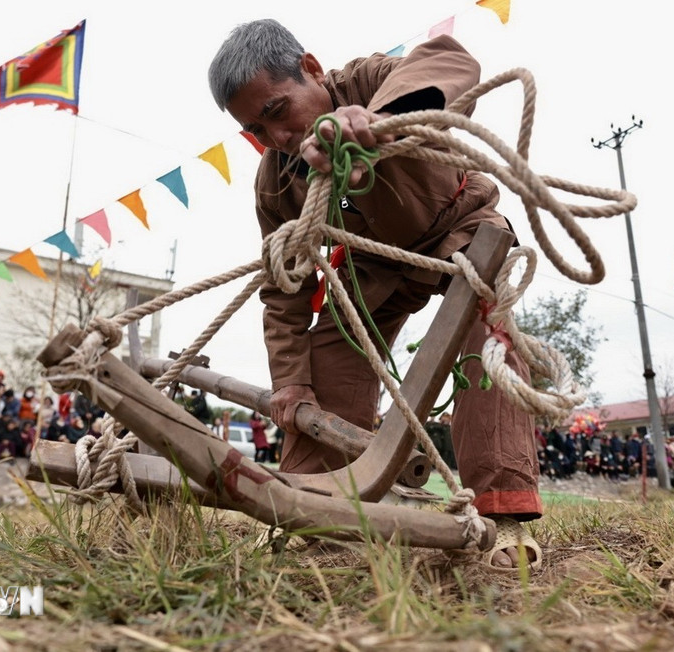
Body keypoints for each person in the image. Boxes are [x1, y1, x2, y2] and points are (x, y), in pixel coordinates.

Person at [209, 19, 540, 570]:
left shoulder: (370, 81)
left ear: (311, 69)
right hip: (371, 269)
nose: (278, 138)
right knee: (324, 363)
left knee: (489, 334)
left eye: (277, 112)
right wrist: (290, 383)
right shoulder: (275, 180)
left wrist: (378, 121)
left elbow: (450, 60)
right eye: (258, 132)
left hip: (460, 231)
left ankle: (502, 517)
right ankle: (305, 511)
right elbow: (285, 286)